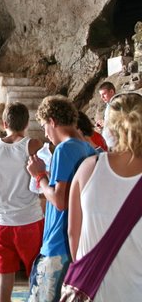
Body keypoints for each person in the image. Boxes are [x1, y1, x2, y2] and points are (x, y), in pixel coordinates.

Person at [68, 92, 142, 301]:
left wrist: (90, 270)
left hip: (93, 291)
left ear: (109, 128)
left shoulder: (89, 169)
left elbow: (74, 234)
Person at [27, 95, 95, 302]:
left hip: (58, 244)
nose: (46, 135)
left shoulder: (65, 149)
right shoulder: (88, 148)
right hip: (77, 242)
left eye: (44, 126)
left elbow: (60, 201)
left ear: (52, 121)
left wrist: (40, 176)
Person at [0, 102, 44, 302]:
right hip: (30, 222)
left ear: (4, 122)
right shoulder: (33, 145)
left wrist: (0, 207)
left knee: (4, 279)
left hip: (2, 223)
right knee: (37, 276)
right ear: (26, 124)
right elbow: (44, 182)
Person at [97, 81, 116, 149]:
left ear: (111, 92)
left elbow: (121, 123)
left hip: (117, 145)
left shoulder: (118, 105)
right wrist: (103, 126)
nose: (102, 97)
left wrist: (105, 123)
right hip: (110, 145)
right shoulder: (109, 105)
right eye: (101, 95)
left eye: (104, 94)